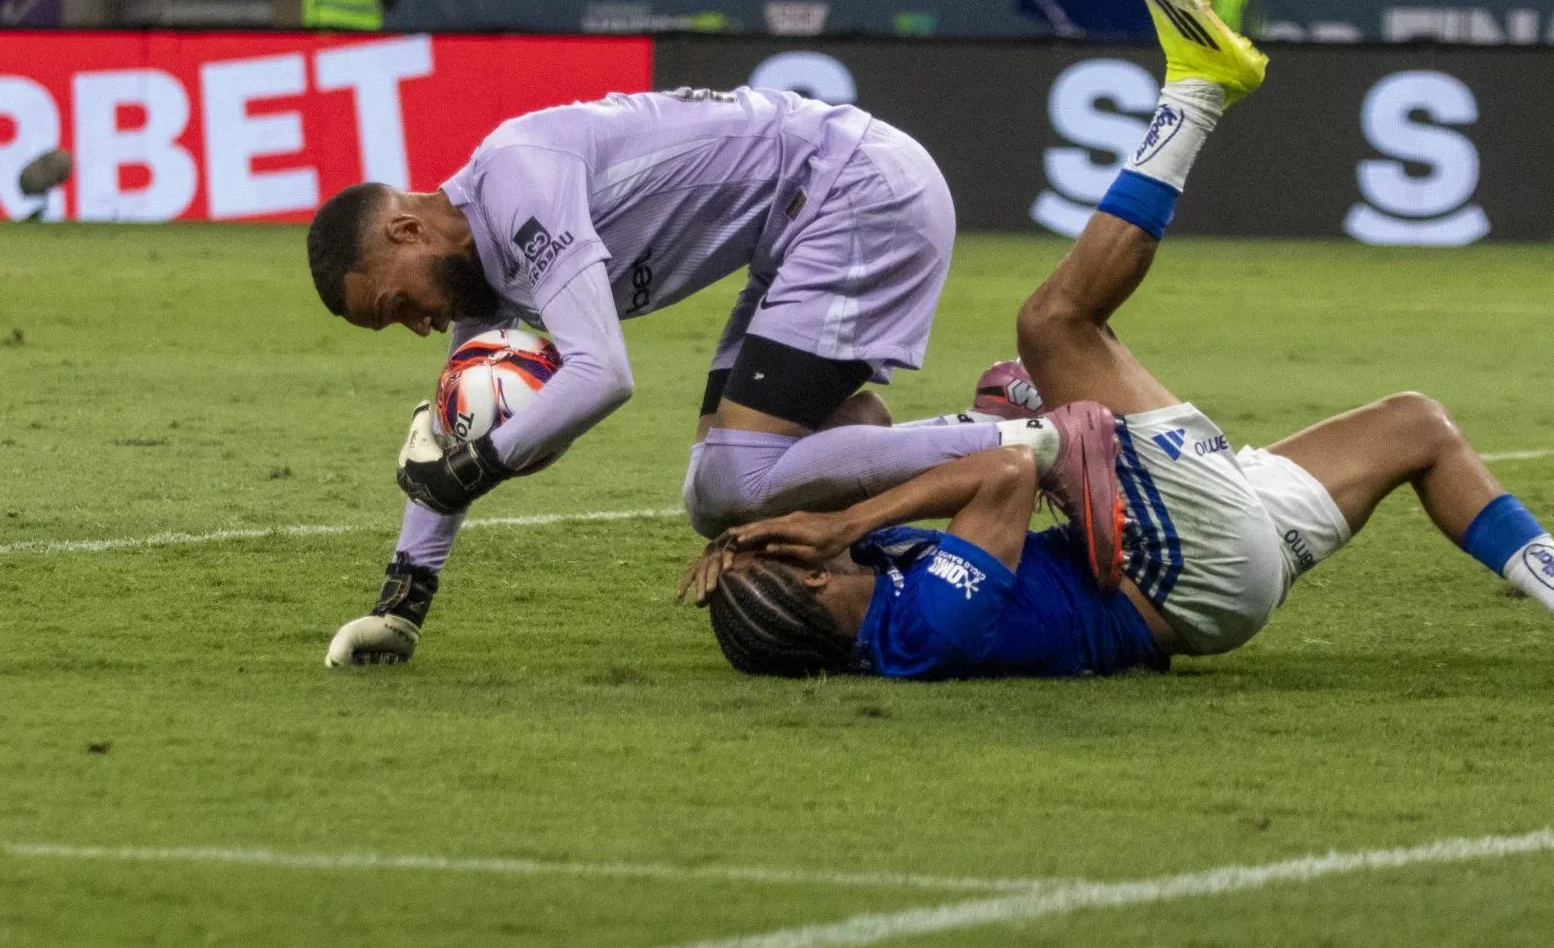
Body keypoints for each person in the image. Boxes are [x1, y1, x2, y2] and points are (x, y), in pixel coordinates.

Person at [687, 0, 1554, 682]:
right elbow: (1005, 474)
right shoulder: (924, 628)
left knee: (1414, 425)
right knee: (1053, 329)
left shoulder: (877, 596)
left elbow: (868, 449)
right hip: (1177, 571)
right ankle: (1197, 89)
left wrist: (751, 532)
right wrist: (847, 517)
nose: (791, 545)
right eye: (790, 561)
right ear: (815, 584)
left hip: (1213, 565)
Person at [313, 87, 1122, 667]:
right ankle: (971, 421)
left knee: (737, 473)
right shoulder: (480, 276)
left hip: (855, 194)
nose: (417, 326)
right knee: (717, 494)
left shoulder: (520, 181)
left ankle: (1036, 438)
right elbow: (462, 442)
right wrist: (402, 601)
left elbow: (600, 374)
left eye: (396, 304)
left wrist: (478, 465)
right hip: (800, 229)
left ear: (409, 226)